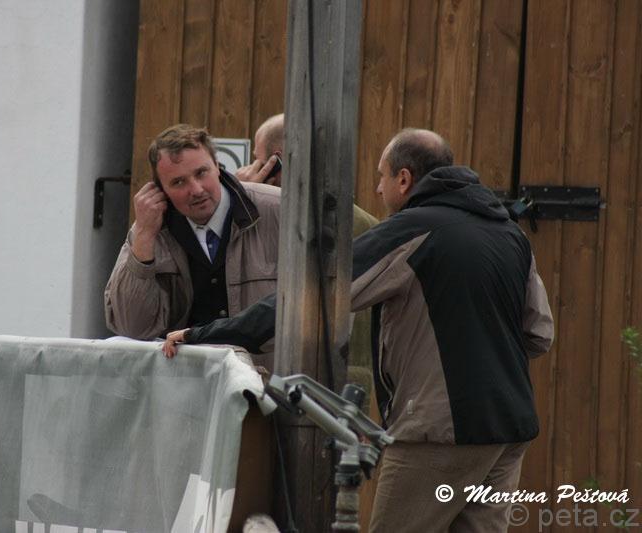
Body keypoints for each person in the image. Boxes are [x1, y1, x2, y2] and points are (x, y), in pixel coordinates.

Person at [163, 128, 554, 532]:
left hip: (438, 431)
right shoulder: (510, 234)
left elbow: (314, 297)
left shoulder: (412, 230)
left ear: (404, 179)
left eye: (382, 176)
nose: (378, 188)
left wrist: (208, 333)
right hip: (510, 430)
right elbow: (539, 333)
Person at [104, 124, 281, 365]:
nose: (196, 190)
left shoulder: (278, 210)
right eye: (178, 182)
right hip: (186, 381)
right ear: (161, 190)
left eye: (201, 173)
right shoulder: (150, 229)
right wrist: (144, 236)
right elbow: (132, 327)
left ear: (217, 166)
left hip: (266, 381)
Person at [236, 113, 380, 397]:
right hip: (354, 383)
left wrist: (245, 197)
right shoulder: (368, 224)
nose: (251, 168)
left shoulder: (283, 223)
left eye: (257, 159)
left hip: (288, 380)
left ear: (275, 162)